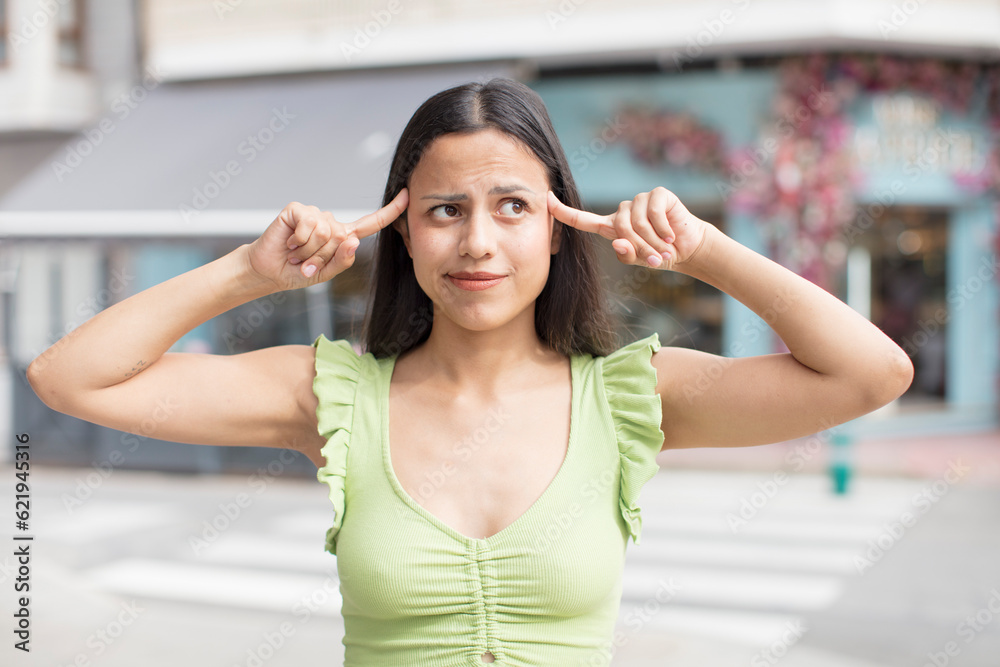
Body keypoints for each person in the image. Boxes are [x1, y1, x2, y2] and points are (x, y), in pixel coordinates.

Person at [27, 77, 913, 666]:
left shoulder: (631, 394)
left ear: (558, 226)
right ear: (402, 229)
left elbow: (871, 374)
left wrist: (707, 250)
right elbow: (73, 379)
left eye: (514, 207)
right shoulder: (329, 395)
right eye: (445, 209)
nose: (478, 242)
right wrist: (250, 272)